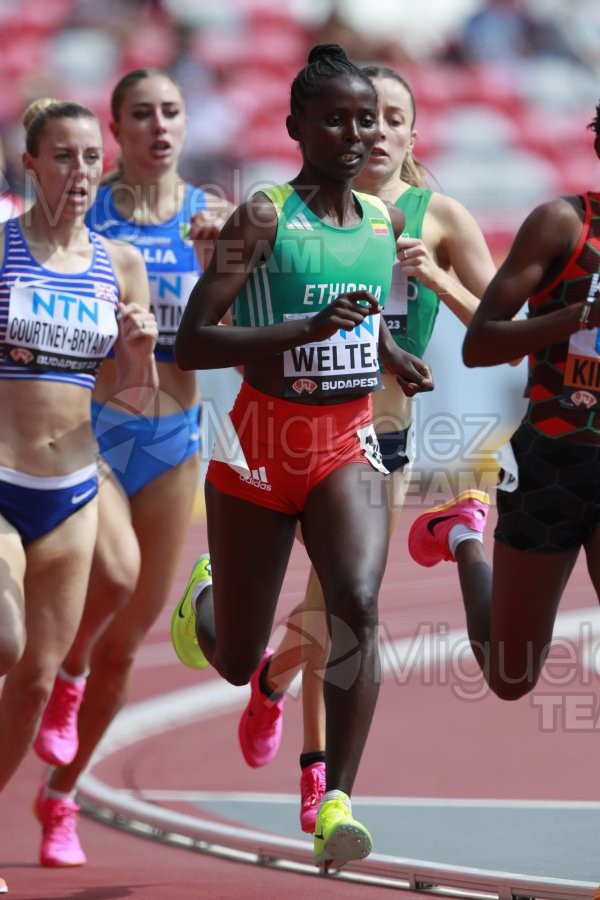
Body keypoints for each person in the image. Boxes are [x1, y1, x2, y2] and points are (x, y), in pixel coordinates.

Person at [171, 42, 434, 869]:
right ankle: (201, 605)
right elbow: (193, 343)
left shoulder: (386, 222)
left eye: (366, 118)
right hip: (260, 447)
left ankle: (338, 801)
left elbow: (354, 311)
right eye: (335, 118)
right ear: (296, 127)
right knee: (240, 657)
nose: (355, 132)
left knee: (355, 600)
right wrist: (299, 333)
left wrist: (389, 354)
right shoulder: (265, 217)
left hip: (344, 443)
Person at [234, 63, 498, 834]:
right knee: (338, 606)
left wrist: (436, 279)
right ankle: (317, 772)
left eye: (392, 118)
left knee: (335, 607)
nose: (374, 131)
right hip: (295, 429)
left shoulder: (437, 215)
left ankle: (280, 701)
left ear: (413, 135)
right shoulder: (315, 212)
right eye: (364, 116)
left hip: (379, 437)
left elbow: (502, 331)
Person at [32, 69, 229, 868]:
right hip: (93, 433)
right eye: (141, 113)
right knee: (72, 623)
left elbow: (254, 334)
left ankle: (61, 797)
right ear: (115, 129)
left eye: (172, 111)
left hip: (175, 436)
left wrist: (232, 267)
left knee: (127, 641)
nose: (159, 125)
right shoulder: (89, 211)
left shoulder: (214, 216)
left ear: (187, 124)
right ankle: (60, 680)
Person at [0, 98, 157, 893]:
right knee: (2, 639)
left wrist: (135, 356)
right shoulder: (1, 249)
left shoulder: (115, 265)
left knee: (34, 680)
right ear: (31, 165)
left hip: (70, 490)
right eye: (64, 157)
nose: (82, 172)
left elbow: (130, 400)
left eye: (93, 158)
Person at [407, 99, 600, 705]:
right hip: (551, 459)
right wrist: (581, 317)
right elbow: (482, 344)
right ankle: (463, 534)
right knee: (510, 677)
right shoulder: (562, 225)